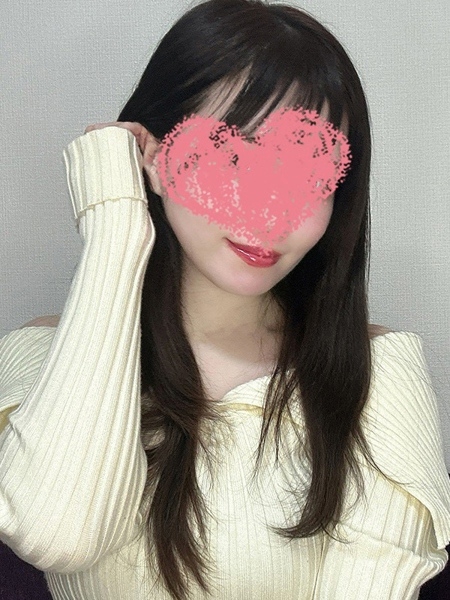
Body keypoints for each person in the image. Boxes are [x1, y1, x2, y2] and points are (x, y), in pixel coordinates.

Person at [0, 0, 449, 598]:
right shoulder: (41, 356)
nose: (270, 214)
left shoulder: (375, 374)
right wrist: (114, 227)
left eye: (308, 174)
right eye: (233, 156)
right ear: (152, 155)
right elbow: (59, 535)